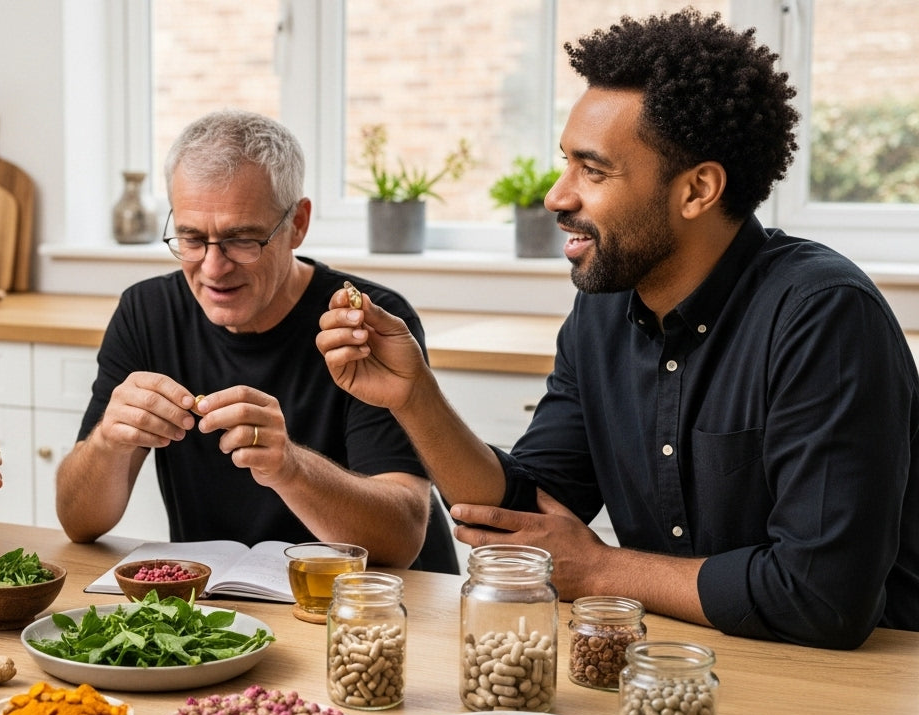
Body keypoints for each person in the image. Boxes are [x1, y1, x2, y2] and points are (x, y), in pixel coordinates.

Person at [317, 8, 919, 648]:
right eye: (565, 162)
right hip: (677, 662)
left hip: (866, 683)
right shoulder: (602, 309)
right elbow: (521, 515)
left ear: (697, 191)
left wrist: (602, 568)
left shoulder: (822, 314)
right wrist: (415, 397)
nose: (556, 195)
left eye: (593, 170)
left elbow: (823, 597)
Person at [56, 109, 457, 572]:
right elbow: (78, 523)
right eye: (191, 238)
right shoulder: (147, 313)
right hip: (228, 609)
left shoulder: (362, 321)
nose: (212, 267)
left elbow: (402, 537)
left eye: (241, 240)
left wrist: (290, 467)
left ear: (298, 224)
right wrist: (109, 440)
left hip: (376, 606)